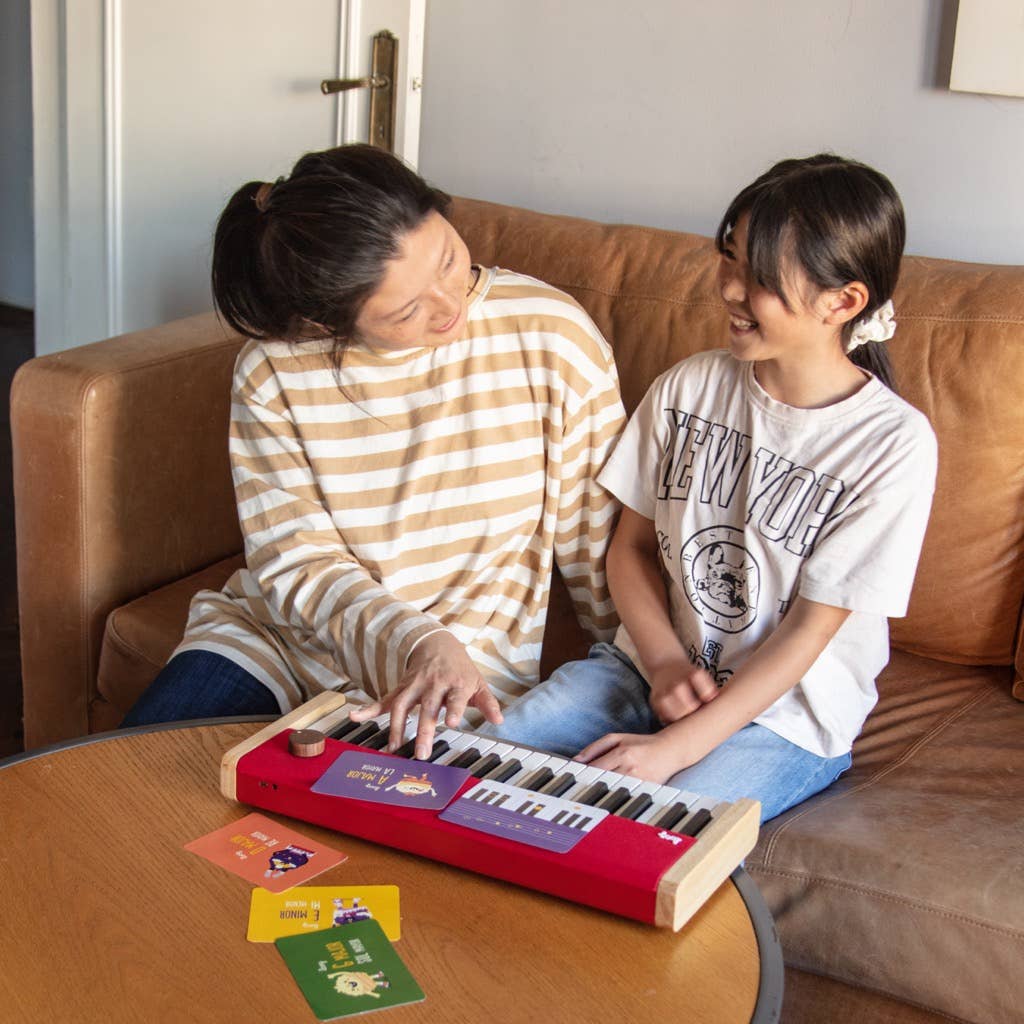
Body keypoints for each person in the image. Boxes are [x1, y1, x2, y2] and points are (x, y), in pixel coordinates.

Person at [121, 144, 626, 757]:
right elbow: (296, 560)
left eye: (447, 259)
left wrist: (644, 679)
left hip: (450, 688)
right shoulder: (273, 371)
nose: (450, 304)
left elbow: (597, 542)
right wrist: (416, 638)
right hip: (277, 643)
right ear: (326, 324)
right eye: (408, 310)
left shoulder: (553, 336)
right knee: (121, 798)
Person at [488, 154, 938, 822]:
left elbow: (811, 631)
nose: (729, 289)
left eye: (757, 277)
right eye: (729, 259)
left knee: (645, 825)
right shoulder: (689, 385)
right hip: (645, 671)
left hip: (785, 719)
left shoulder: (893, 445)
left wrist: (675, 750)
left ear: (841, 302)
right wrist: (666, 665)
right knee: (480, 757)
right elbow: (631, 550)